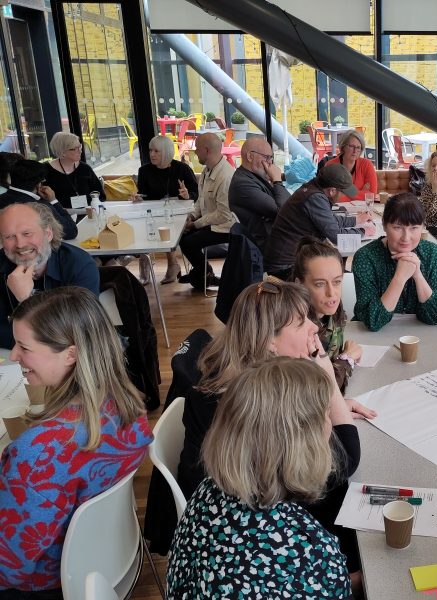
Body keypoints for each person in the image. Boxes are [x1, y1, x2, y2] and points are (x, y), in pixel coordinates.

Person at [175, 278, 374, 579]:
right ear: (269, 340)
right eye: (300, 322)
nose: (314, 327)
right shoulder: (261, 408)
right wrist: (326, 377)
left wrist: (332, 407)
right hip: (261, 547)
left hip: (233, 531)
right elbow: (342, 463)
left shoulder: (232, 386)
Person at [0, 287, 152, 594]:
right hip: (108, 552)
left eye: (23, 347)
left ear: (70, 353)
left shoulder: (37, 452)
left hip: (48, 579)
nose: (14, 356)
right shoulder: (130, 406)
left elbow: (10, 568)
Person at [167, 359, 352, 598]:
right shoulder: (312, 555)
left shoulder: (208, 491)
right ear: (303, 442)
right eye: (326, 415)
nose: (330, 424)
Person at [0, 203, 99, 349]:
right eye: (9, 236)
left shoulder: (79, 265)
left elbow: (76, 333)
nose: (20, 244)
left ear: (48, 234)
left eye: (27, 233)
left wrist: (26, 300)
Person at [353, 192, 437, 331]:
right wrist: (400, 278)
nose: (406, 237)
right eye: (397, 227)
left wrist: (417, 275)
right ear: (384, 225)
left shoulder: (432, 253)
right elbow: (373, 320)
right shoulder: (366, 257)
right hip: (376, 339)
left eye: (414, 228)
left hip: (420, 336)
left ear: (422, 227)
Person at [265, 162, 376, 280]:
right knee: (347, 279)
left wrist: (356, 219)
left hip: (292, 259)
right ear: (332, 191)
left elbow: (329, 219)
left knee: (342, 273)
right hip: (286, 268)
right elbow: (337, 237)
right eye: (343, 192)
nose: (343, 196)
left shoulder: (313, 188)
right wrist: (363, 231)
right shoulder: (315, 198)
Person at [294, 237, 361, 392]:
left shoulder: (330, 306)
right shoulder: (293, 326)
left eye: (337, 282)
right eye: (320, 284)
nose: (332, 293)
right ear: (299, 285)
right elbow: (317, 392)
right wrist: (347, 359)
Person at [132, 135, 199, 284]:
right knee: (147, 223)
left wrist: (187, 194)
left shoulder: (182, 168)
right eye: (150, 150)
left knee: (167, 223)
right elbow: (144, 194)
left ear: (167, 152)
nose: (152, 154)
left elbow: (196, 193)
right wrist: (138, 197)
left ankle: (173, 264)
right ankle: (148, 263)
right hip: (155, 212)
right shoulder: (144, 171)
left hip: (179, 212)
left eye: (157, 151)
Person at [177, 132, 237, 290]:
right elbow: (201, 201)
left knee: (189, 242)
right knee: (182, 237)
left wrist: (195, 224)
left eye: (197, 148)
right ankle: (203, 274)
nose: (195, 152)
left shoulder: (226, 177)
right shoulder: (207, 170)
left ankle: (203, 274)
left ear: (207, 150)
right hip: (213, 220)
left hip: (227, 226)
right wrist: (191, 216)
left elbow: (224, 214)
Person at [228, 134, 290, 259]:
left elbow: (288, 205)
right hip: (269, 248)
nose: (270, 163)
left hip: (274, 239)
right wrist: (277, 180)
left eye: (271, 159)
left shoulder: (254, 177)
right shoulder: (243, 183)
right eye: (267, 158)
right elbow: (282, 212)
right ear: (250, 156)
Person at [0, 158, 78, 240]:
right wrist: (53, 201)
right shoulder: (40, 206)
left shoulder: (2, 199)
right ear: (39, 184)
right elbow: (71, 231)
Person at [44, 131, 105, 209]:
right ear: (62, 152)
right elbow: (44, 202)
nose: (80, 151)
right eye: (74, 149)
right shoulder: (46, 171)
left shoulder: (85, 168)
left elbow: (100, 195)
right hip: (60, 217)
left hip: (88, 213)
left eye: (80, 147)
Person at [323, 129, 377, 201]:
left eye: (358, 147)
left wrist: (344, 191)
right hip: (337, 210)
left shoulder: (367, 165)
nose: (355, 151)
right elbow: (329, 196)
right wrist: (360, 193)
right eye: (351, 146)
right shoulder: (331, 165)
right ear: (343, 147)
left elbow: (371, 195)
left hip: (362, 210)